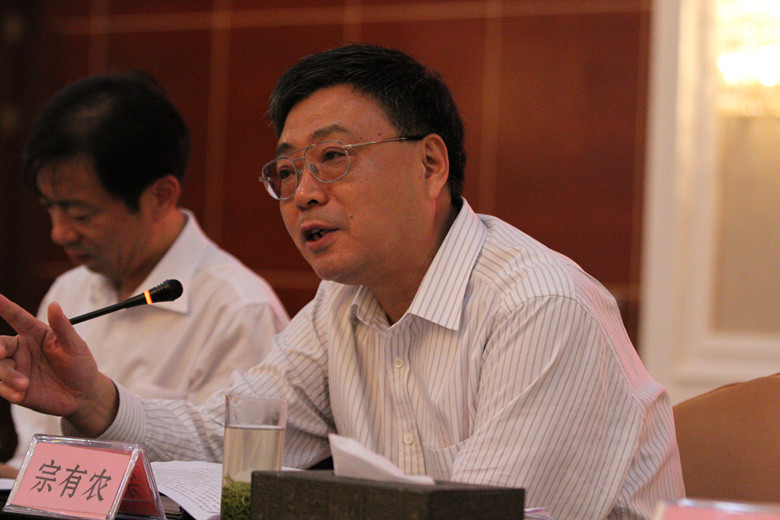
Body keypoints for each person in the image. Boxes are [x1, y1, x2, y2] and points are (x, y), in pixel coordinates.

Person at [0, 45, 684, 519]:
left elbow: (487, 515)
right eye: (287, 171)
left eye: (333, 157)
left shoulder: (538, 306)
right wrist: (94, 400)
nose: (303, 193)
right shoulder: (341, 304)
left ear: (431, 165)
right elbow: (232, 442)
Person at [4, 71, 290, 471]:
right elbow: (32, 463)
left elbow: (232, 472)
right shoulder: (67, 291)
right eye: (49, 207)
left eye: (80, 214)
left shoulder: (238, 310)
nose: (59, 232)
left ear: (159, 196)